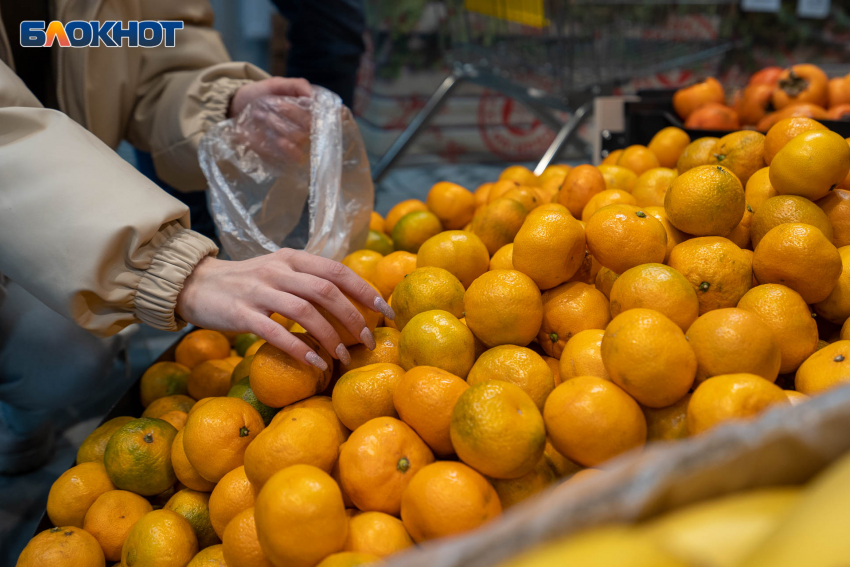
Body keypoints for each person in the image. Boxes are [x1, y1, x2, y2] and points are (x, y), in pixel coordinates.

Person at [0, 1, 390, 474]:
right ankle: (18, 406)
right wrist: (173, 269)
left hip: (58, 214)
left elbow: (146, 57)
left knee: (76, 342)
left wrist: (223, 102)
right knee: (63, 354)